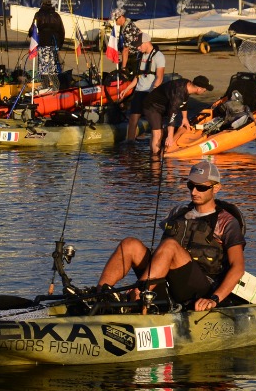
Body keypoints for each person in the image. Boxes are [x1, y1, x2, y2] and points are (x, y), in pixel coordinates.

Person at [97, 160, 245, 311]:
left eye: (201, 187)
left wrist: (214, 299)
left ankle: (136, 296)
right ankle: (100, 296)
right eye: (190, 186)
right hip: (165, 281)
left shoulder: (227, 222)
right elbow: (160, 255)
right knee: (129, 244)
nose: (194, 192)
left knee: (170, 245)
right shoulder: (178, 212)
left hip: (199, 289)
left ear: (216, 188)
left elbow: (238, 267)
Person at [141, 73, 213, 157]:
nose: (205, 91)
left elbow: (184, 102)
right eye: (205, 89)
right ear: (199, 88)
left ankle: (154, 153)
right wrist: (170, 136)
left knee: (158, 133)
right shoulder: (178, 95)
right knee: (158, 133)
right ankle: (155, 159)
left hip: (163, 105)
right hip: (152, 106)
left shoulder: (187, 85)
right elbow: (172, 117)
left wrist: (185, 118)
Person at [123, 34, 165, 142]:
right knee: (133, 118)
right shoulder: (140, 55)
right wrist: (127, 89)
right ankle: (130, 143)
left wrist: (153, 92)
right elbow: (138, 76)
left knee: (153, 120)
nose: (138, 48)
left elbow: (159, 78)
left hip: (151, 92)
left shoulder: (159, 56)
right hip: (139, 91)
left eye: (139, 45)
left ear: (146, 42)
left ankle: (156, 142)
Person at [31, 0, 66, 87]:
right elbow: (62, 31)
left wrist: (31, 36)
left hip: (42, 43)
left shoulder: (38, 15)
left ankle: (45, 85)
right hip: (53, 43)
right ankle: (56, 85)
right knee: (53, 67)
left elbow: (33, 29)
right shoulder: (56, 15)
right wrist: (60, 45)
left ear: (42, 5)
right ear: (51, 5)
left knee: (43, 67)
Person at [109, 7, 142, 76]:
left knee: (131, 76)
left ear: (121, 17)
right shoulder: (126, 25)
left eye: (116, 19)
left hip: (136, 57)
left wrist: (123, 67)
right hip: (132, 55)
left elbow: (126, 50)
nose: (115, 21)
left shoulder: (128, 29)